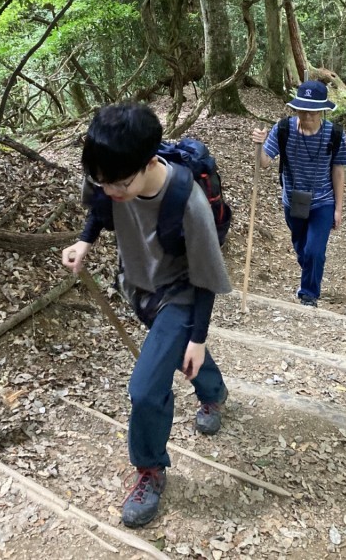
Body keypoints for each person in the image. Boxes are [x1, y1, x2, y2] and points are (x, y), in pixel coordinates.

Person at [62, 102, 231, 529]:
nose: (110, 190)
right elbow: (100, 206)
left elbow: (207, 278)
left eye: (120, 183)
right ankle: (214, 391)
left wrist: (198, 337)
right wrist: (84, 241)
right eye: (101, 181)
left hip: (180, 294)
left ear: (150, 162)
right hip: (138, 287)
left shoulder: (187, 201)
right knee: (173, 352)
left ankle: (150, 469)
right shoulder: (108, 175)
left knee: (145, 388)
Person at [251, 80, 346, 308]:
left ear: (322, 111)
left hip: (323, 201)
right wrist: (258, 144)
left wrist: (338, 209)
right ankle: (310, 272)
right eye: (302, 110)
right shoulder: (283, 129)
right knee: (302, 249)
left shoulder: (334, 134)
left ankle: (308, 295)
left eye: (312, 111)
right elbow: (263, 162)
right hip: (293, 200)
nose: (306, 115)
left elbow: (338, 171)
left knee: (315, 251)